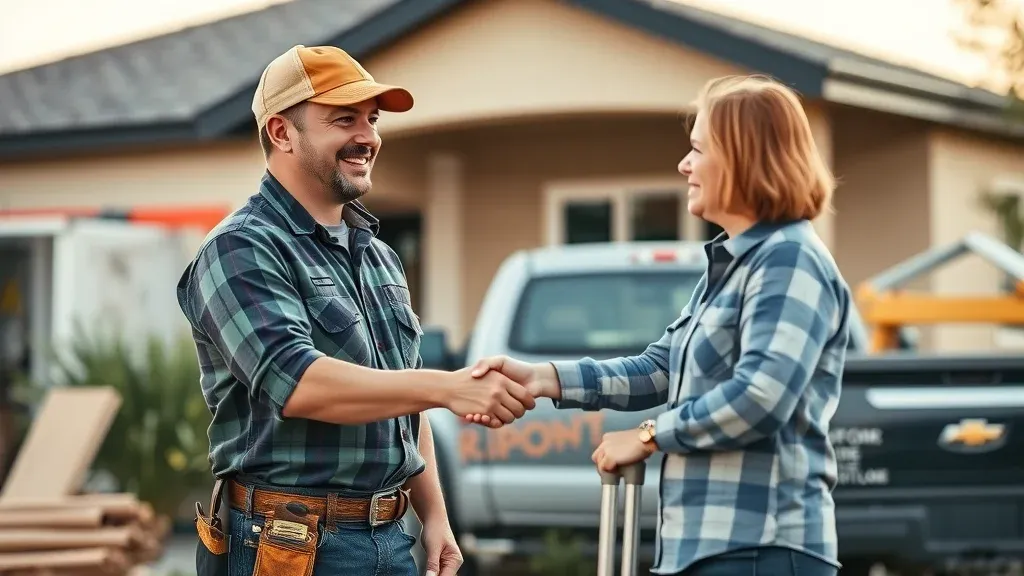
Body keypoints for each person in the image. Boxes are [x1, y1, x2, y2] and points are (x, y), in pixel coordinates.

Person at [468, 74, 852, 576]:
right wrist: (545, 379)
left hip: (761, 547)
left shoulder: (788, 260)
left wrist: (648, 435)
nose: (684, 165)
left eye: (698, 150)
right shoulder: (732, 263)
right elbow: (662, 368)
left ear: (743, 157)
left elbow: (761, 397)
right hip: (706, 546)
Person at [177, 45, 535, 576]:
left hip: (390, 539)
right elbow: (300, 384)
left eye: (372, 119)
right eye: (344, 119)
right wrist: (448, 386)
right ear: (282, 133)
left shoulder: (378, 255)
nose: (368, 136)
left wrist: (434, 515)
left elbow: (402, 398)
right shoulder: (240, 249)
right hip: (286, 547)